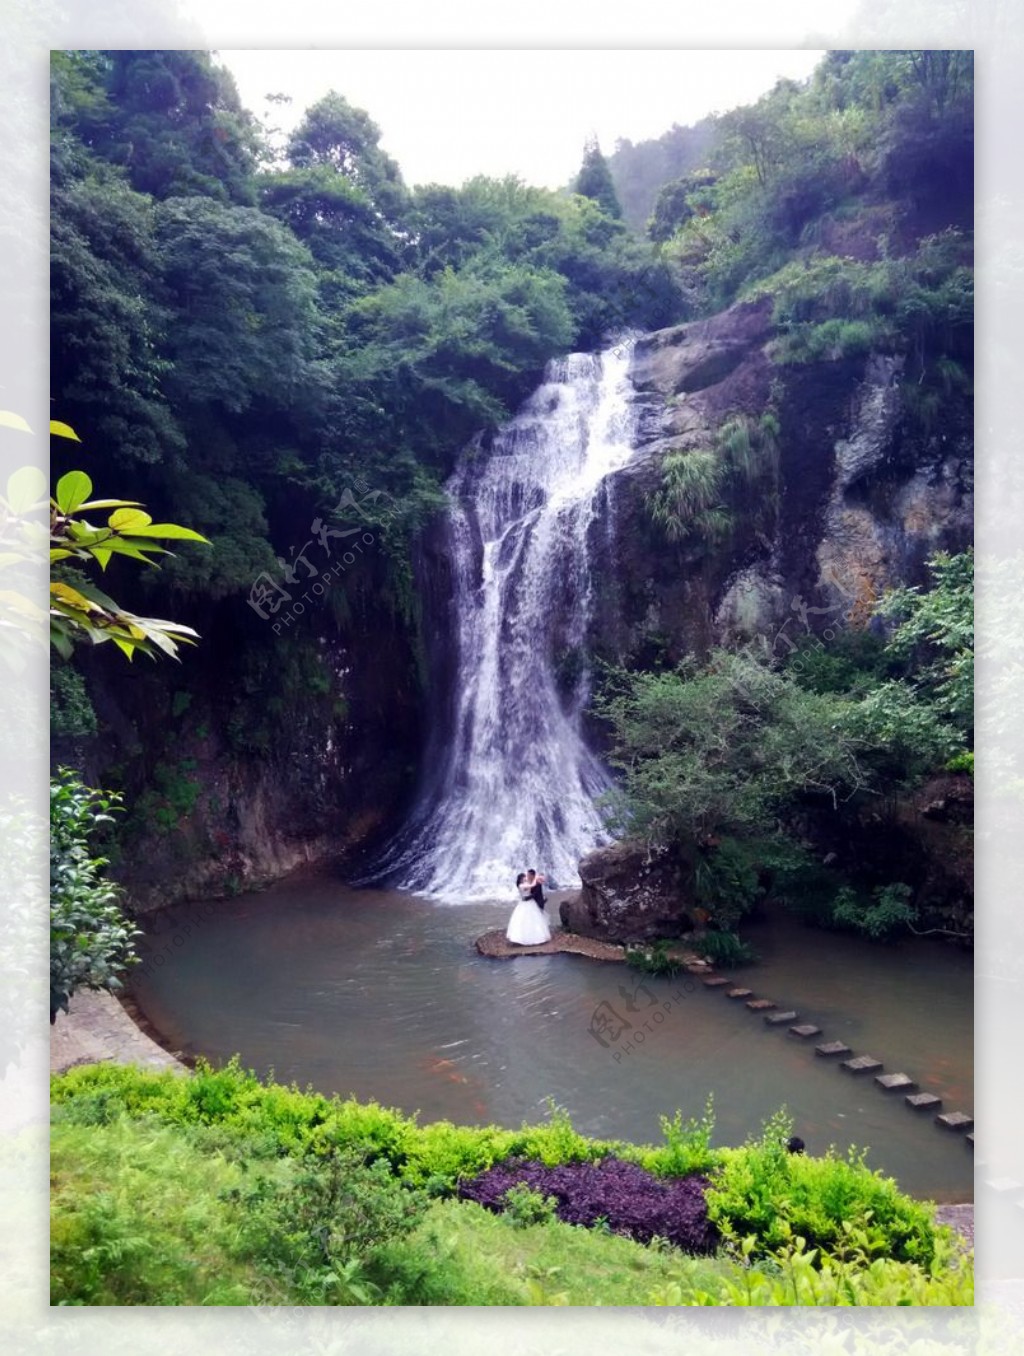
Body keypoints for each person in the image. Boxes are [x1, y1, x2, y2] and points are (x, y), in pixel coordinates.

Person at [506, 870, 552, 946]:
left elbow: (535, 886)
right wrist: (536, 878)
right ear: (521, 879)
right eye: (524, 877)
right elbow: (532, 885)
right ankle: (522, 938)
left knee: (534, 919)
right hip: (525, 903)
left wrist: (540, 878)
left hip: (531, 902)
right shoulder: (521, 885)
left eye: (526, 876)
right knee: (523, 920)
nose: (526, 878)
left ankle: (536, 935)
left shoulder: (526, 883)